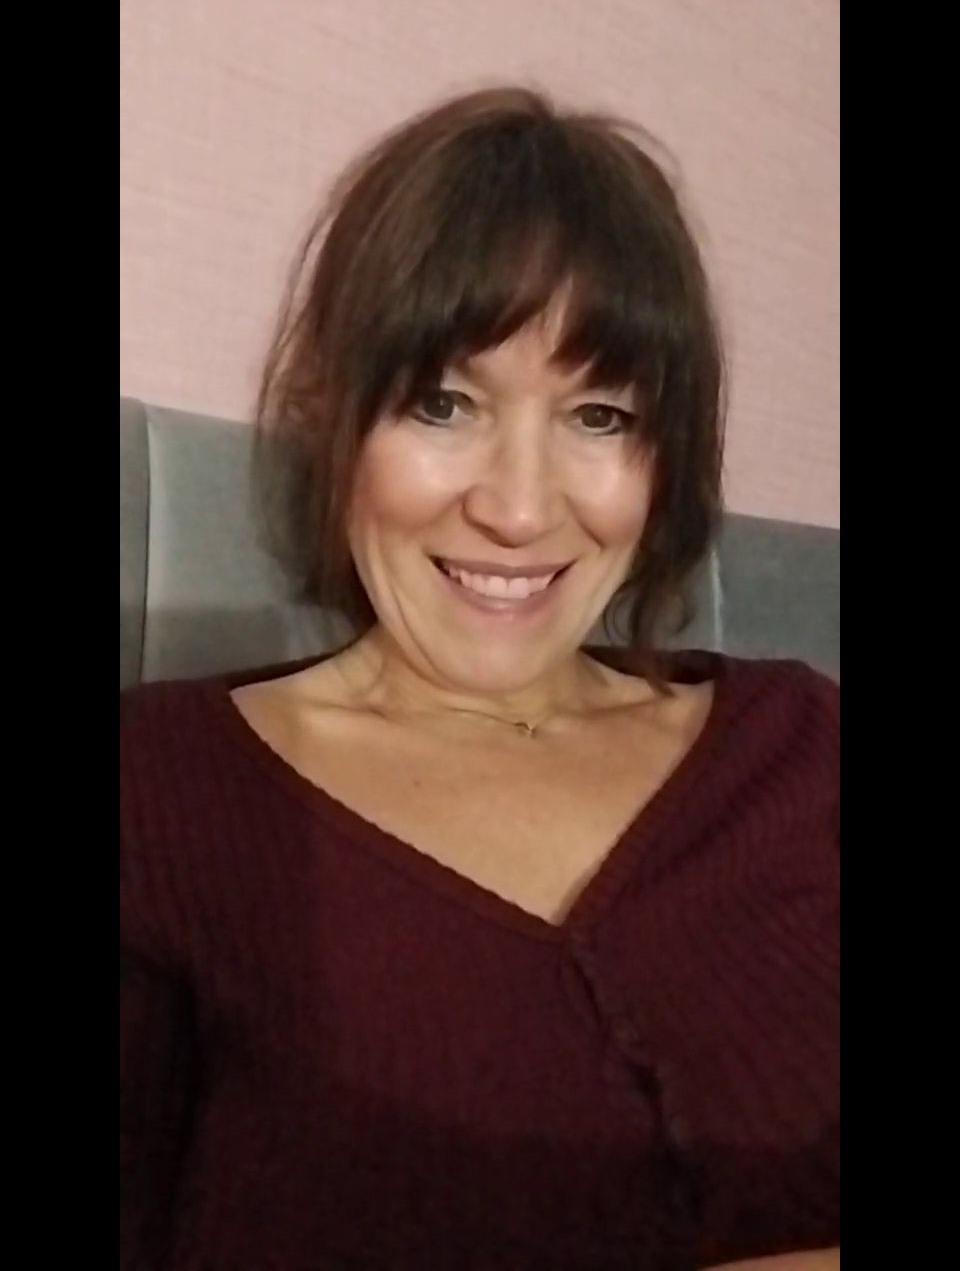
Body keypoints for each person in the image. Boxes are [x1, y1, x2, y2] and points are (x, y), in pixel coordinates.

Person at [121, 87, 839, 1270]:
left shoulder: (803, 748)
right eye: (443, 402)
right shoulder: (156, 793)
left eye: (600, 415)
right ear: (330, 416)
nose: (517, 506)